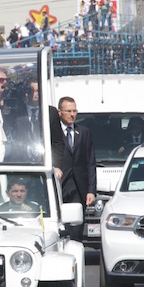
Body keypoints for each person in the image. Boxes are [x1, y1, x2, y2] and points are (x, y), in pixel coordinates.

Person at [57, 96, 96, 241]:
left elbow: (90, 162)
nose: (72, 114)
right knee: (61, 224)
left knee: (76, 228)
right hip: (61, 184)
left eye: (74, 111)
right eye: (68, 111)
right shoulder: (54, 134)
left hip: (78, 187)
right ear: (60, 112)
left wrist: (91, 190)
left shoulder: (84, 132)